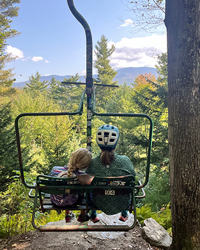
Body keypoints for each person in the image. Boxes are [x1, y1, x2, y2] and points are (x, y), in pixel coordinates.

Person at [86, 124, 136, 222]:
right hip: (122, 202)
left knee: (89, 188)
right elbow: (133, 176)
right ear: (115, 142)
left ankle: (93, 214)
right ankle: (124, 213)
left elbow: (86, 180)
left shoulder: (92, 163)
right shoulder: (125, 160)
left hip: (98, 202)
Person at [49, 148, 92, 222]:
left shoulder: (54, 170)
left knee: (66, 191)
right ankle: (82, 215)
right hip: (73, 203)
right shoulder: (83, 176)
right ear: (85, 166)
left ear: (72, 156)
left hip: (55, 202)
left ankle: (68, 214)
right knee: (84, 191)